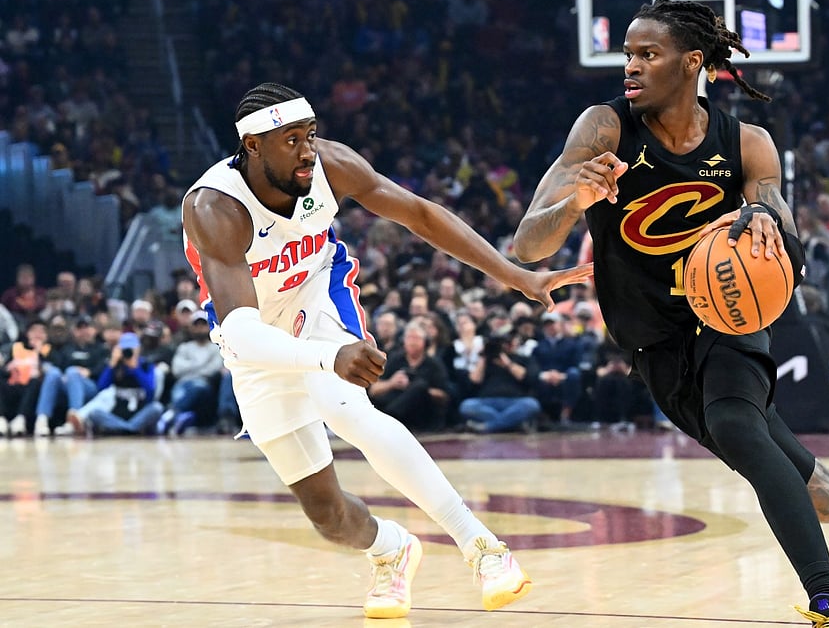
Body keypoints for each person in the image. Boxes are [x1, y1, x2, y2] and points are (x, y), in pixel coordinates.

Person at [510, 0, 829, 627]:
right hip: (654, 345)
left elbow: (790, 242)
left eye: (648, 54)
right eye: (628, 54)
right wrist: (575, 203)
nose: (631, 66)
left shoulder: (747, 143)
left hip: (728, 320)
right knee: (827, 498)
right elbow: (527, 246)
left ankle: (828, 602)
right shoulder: (604, 128)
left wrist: (764, 218)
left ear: (691, 62)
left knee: (736, 426)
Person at [181, 83, 593, 619]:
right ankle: (391, 549)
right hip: (256, 335)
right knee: (328, 516)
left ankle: (482, 547)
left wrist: (515, 276)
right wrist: (325, 359)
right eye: (291, 140)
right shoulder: (214, 206)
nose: (307, 151)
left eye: (310, 135)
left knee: (345, 407)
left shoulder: (332, 166)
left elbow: (421, 215)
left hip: (317, 298)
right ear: (253, 146)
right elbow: (240, 331)